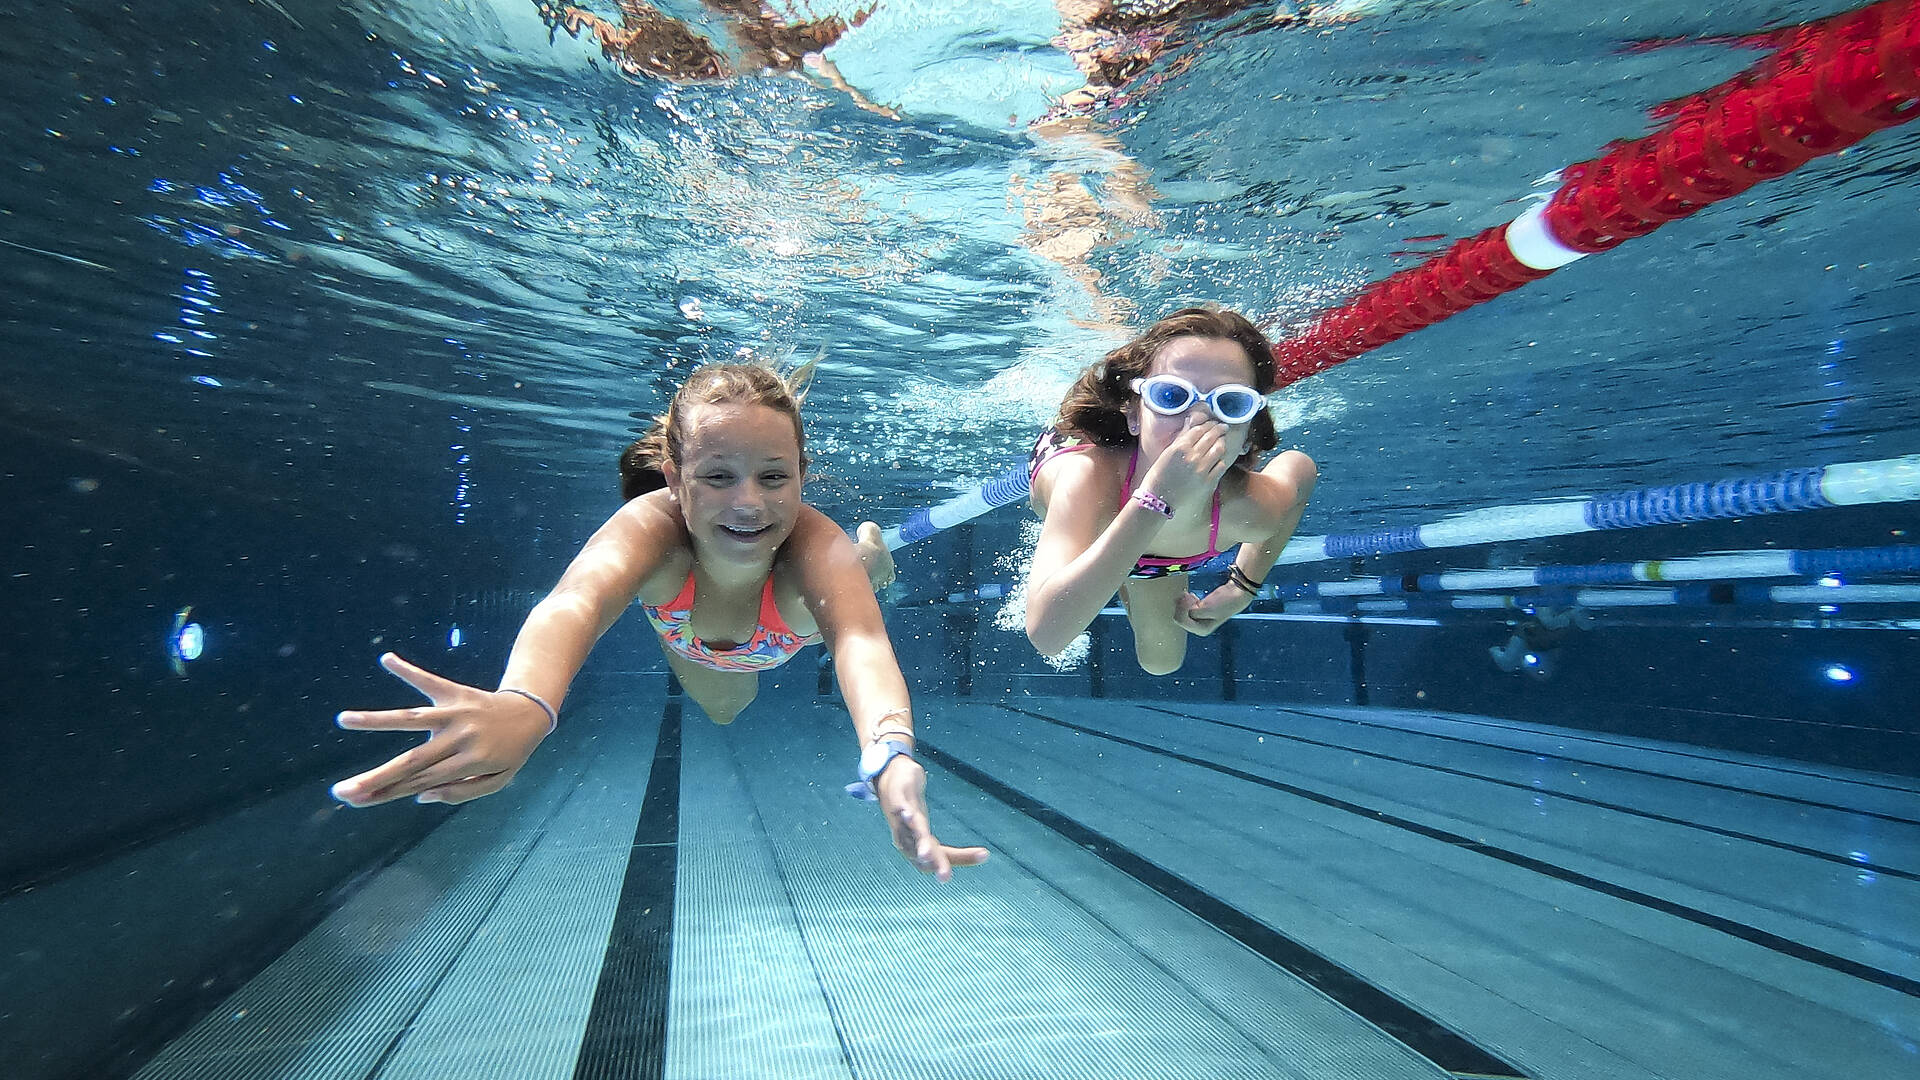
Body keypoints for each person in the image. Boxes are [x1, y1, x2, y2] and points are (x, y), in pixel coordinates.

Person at [331, 361, 988, 882]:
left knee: (846, 576)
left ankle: (869, 556)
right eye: (718, 476)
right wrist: (526, 702)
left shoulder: (811, 545)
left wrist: (892, 749)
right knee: (725, 710)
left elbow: (860, 642)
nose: (748, 501)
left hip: (789, 626)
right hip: (691, 642)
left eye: (772, 477)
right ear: (673, 478)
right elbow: (575, 604)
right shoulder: (652, 530)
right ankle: (840, 571)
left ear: (801, 476)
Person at [1024, 305, 1317, 673]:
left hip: (1161, 557)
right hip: (1082, 478)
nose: (1195, 421)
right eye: (1170, 397)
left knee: (1161, 662)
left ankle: (1123, 576)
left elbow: (1301, 469)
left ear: (1247, 437)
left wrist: (1243, 587)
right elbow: (1047, 636)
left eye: (1229, 404)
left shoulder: (1247, 508)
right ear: (1133, 414)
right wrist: (1157, 498)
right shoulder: (1084, 479)